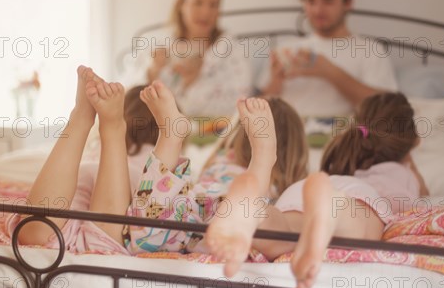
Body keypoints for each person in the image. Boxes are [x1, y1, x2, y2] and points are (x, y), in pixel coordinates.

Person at [205, 92, 429, 288]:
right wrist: (410, 161)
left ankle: (252, 210)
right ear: (412, 143)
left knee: (282, 231)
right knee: (354, 227)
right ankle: (331, 205)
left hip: (300, 192)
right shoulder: (402, 174)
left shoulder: (344, 164)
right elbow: (423, 196)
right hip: (340, 197)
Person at [125, 80, 308, 254]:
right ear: (294, 152)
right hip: (228, 212)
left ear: (235, 134)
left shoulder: (221, 157)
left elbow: (202, 173)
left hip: (194, 205)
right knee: (253, 216)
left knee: (145, 234)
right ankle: (262, 157)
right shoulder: (280, 182)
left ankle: (170, 137)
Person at [8, 66, 158, 253]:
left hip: (84, 175)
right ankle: (112, 129)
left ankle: (80, 117)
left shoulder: (95, 148)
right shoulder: (159, 155)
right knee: (105, 241)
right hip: (126, 183)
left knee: (35, 231)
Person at [259, 0, 398, 117]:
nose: (317, 10)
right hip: (286, 134)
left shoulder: (370, 51)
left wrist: (330, 72)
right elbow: (259, 109)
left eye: (328, 0)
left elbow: (387, 109)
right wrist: (275, 83)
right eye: (311, 1)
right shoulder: (286, 48)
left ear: (348, 3)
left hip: (341, 137)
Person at [126, 0, 251, 117]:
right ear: (181, 4)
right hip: (157, 132)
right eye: (198, 3)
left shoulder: (231, 50)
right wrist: (153, 71)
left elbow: (237, 106)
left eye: (213, 5)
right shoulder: (159, 46)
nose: (206, 12)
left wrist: (194, 81)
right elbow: (130, 98)